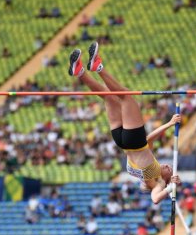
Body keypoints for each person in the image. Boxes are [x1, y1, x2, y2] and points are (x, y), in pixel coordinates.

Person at [68, 42, 182, 204]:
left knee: (126, 97)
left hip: (134, 142)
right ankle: (80, 72)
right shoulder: (153, 168)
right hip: (123, 142)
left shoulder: (158, 182)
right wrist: (169, 124)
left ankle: (98, 67)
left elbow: (155, 199)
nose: (169, 167)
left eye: (170, 171)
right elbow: (149, 139)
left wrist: (170, 187)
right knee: (109, 98)